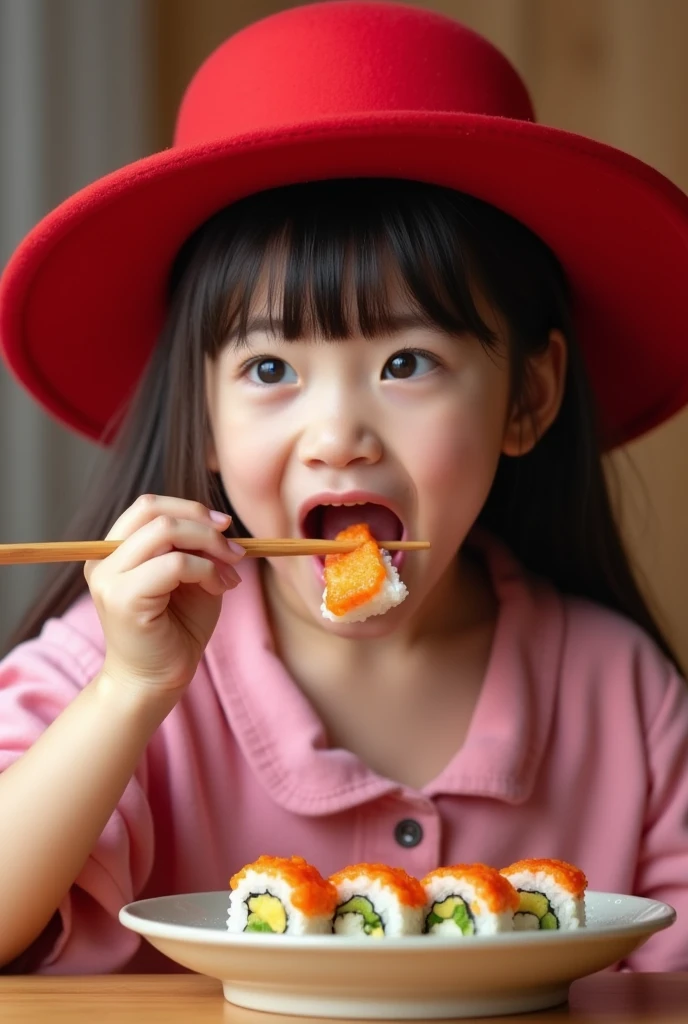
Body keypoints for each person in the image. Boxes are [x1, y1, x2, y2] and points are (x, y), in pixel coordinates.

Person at [0, 0, 687, 976]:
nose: (336, 435)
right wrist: (129, 689)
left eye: (406, 362)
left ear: (528, 396)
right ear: (201, 415)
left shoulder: (623, 695)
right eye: (270, 369)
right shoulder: (115, 663)